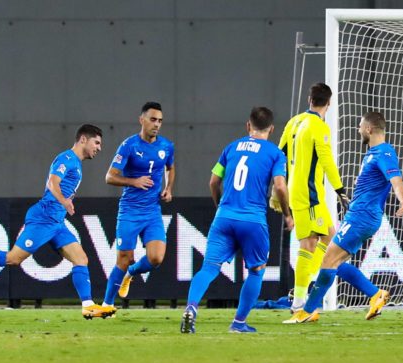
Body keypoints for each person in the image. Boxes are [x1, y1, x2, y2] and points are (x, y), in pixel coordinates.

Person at [0, 124, 114, 319]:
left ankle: (88, 305)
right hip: (43, 218)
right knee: (14, 259)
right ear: (84, 139)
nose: (99, 148)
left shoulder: (76, 163)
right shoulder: (67, 158)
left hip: (56, 223)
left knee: (81, 259)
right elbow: (53, 182)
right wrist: (65, 201)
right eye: (97, 142)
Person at [275, 83, 387, 323]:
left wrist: (276, 190)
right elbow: (326, 161)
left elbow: (279, 155)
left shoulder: (293, 122)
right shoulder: (319, 127)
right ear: (329, 103)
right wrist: (340, 191)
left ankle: (374, 293)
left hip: (299, 194)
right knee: (310, 247)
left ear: (309, 99)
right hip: (310, 196)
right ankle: (299, 306)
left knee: (331, 250)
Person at [286, 111, 403, 323]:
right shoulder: (372, 153)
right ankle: (375, 294)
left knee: (327, 260)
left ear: (369, 129)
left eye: (360, 126)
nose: (358, 130)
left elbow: (395, 179)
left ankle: (307, 311)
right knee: (335, 263)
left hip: (362, 216)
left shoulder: (384, 153)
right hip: (359, 215)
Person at [180, 107, 293, 334]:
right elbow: (280, 186)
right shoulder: (275, 153)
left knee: (209, 268)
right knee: (256, 270)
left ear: (248, 125)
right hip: (253, 220)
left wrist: (220, 205)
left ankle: (191, 309)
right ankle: (239, 323)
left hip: (224, 217)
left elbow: (213, 182)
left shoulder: (231, 148)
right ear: (271, 128)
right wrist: (287, 214)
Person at [101, 102, 175, 313]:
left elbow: (170, 167)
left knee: (156, 258)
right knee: (123, 258)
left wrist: (168, 188)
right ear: (141, 120)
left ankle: (131, 273)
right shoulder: (129, 146)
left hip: (152, 211)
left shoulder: (167, 146)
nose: (157, 124)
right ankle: (107, 305)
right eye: (153, 119)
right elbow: (109, 177)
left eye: (160, 121)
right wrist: (134, 181)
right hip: (130, 211)